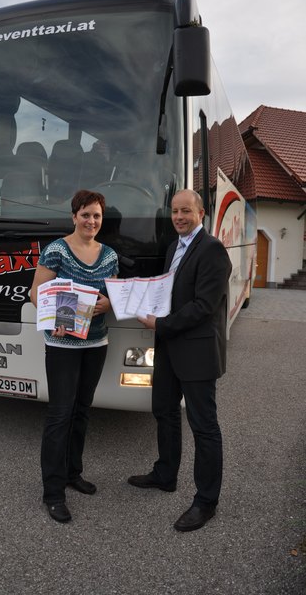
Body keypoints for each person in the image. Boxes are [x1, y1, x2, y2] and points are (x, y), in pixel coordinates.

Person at [128, 189, 232, 532]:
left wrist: (161, 323)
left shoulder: (213, 250)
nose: (178, 217)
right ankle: (165, 474)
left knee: (204, 426)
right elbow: (165, 292)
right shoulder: (174, 247)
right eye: (174, 211)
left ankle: (206, 502)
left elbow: (204, 306)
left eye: (185, 211)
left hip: (197, 350)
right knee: (164, 410)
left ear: (201, 212)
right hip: (170, 346)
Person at [30, 189, 119, 523]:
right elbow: (35, 292)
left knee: (82, 411)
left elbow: (114, 293)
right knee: (60, 415)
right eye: (85, 215)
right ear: (74, 217)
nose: (91, 221)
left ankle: (72, 473)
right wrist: (58, 320)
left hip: (96, 344)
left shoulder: (109, 254)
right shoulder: (56, 250)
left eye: (96, 215)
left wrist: (110, 303)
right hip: (63, 345)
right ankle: (53, 493)